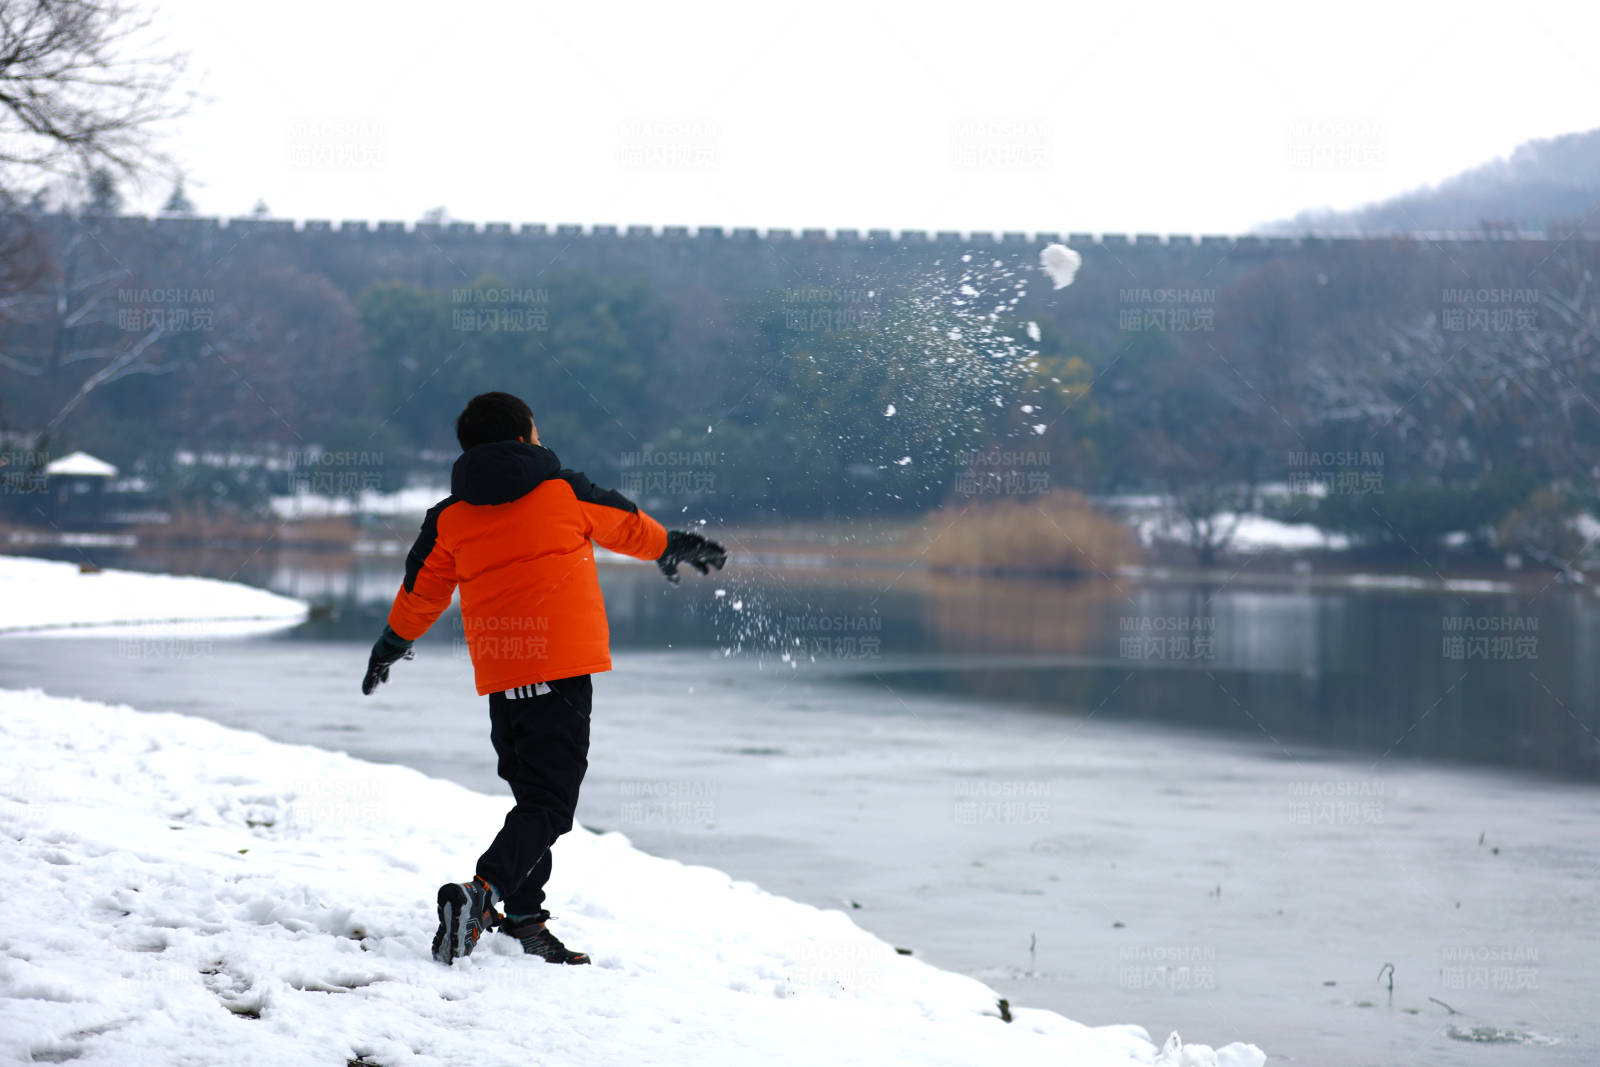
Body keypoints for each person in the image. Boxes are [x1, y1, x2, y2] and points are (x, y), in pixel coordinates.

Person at [360, 391, 726, 966]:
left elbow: (422, 592)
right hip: (560, 670)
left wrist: (392, 644)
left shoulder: (450, 518)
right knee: (550, 808)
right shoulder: (564, 491)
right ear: (527, 435)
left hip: (503, 676)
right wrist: (671, 544)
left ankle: (527, 920)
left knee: (532, 799)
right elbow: (627, 528)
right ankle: (481, 896)